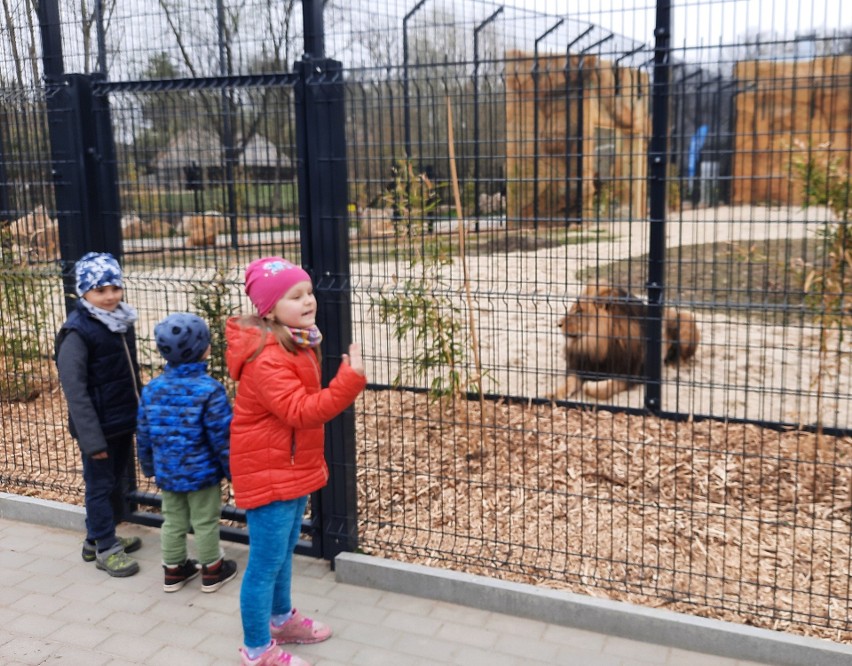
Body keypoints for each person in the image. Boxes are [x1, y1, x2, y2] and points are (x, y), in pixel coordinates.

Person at [226, 257, 367, 666]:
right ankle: (256, 650)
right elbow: (301, 411)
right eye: (295, 295)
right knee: (265, 563)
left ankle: (281, 619)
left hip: (288, 466)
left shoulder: (295, 339)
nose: (309, 301)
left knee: (283, 550)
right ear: (269, 308)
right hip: (269, 471)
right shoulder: (268, 356)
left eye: (308, 292)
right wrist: (348, 381)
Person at [55, 251, 143, 577]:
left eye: (114, 288)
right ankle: (107, 546)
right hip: (99, 428)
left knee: (112, 481)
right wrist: (92, 439)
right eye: (100, 290)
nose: (109, 296)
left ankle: (95, 539)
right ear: (84, 292)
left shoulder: (116, 321)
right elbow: (75, 392)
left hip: (120, 420)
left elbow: (127, 374)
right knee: (99, 484)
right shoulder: (77, 333)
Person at [136, 312, 237, 593]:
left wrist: (149, 466)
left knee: (173, 520)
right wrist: (232, 471)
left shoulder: (152, 389)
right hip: (202, 473)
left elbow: (143, 432)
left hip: (168, 472)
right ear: (204, 348)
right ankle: (212, 570)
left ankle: (174, 569)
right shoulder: (210, 390)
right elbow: (222, 437)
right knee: (204, 521)